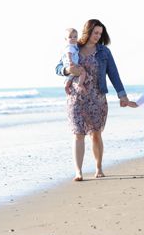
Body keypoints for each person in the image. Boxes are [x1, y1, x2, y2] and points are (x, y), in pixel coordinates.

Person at [55, 19, 129, 181]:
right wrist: (68, 69)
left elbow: (113, 74)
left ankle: (98, 167)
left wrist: (122, 95)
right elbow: (58, 68)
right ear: (87, 31)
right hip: (76, 98)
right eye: (95, 33)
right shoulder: (73, 47)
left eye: (100, 34)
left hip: (97, 97)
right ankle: (78, 171)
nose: (97, 36)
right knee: (78, 134)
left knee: (95, 134)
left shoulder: (104, 52)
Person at [61, 28, 87, 95]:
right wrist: (70, 61)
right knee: (82, 71)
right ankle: (80, 84)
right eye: (70, 37)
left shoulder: (74, 46)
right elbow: (68, 54)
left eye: (75, 37)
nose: (73, 38)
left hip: (71, 64)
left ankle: (67, 86)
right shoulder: (70, 47)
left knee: (71, 76)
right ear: (65, 39)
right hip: (71, 64)